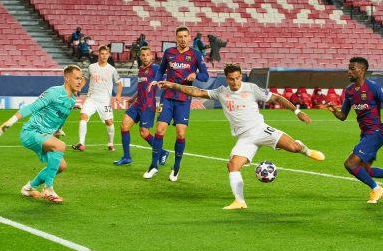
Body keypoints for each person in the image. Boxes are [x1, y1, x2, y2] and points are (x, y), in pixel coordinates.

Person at [158, 63, 325, 209]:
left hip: (260, 129)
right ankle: (240, 201)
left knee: (294, 148)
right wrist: (173, 85)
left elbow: (275, 98)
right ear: (226, 79)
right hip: (245, 138)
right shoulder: (221, 92)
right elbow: (196, 92)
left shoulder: (251, 88)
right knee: (232, 165)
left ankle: (306, 151)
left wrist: (297, 111)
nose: (235, 82)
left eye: (238, 78)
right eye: (232, 79)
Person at [0, 65, 83, 203]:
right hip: (31, 131)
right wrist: (11, 121)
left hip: (44, 134)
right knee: (60, 146)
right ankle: (48, 188)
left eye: (81, 79)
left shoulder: (71, 101)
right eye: (76, 78)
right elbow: (33, 106)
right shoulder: (54, 92)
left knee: (61, 166)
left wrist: (58, 130)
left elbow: (61, 118)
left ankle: (29, 188)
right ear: (67, 78)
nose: (80, 81)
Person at [144, 25, 209, 182]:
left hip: (184, 98)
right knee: (159, 130)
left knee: (180, 133)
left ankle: (176, 167)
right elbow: (161, 71)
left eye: (185, 36)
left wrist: (196, 75)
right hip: (167, 95)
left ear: (189, 37)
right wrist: (156, 80)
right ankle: (153, 166)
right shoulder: (169, 53)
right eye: (179, 36)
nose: (182, 39)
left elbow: (205, 76)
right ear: (176, 37)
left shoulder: (195, 54)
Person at [327, 56, 383, 203]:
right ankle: (376, 188)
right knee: (366, 170)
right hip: (365, 134)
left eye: (352, 69)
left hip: (375, 132)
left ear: (362, 70)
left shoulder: (373, 87)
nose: (349, 71)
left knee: (350, 164)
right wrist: (334, 110)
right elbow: (343, 115)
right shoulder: (350, 91)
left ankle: (376, 189)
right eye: (349, 68)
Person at [113, 46, 169, 166]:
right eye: (143, 55)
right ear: (140, 56)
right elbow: (142, 87)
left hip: (148, 106)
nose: (145, 57)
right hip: (138, 103)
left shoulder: (155, 68)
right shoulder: (141, 69)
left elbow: (165, 81)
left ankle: (163, 152)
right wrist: (133, 98)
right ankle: (127, 157)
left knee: (144, 133)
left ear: (151, 56)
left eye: (147, 55)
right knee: (124, 126)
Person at [72, 45, 123, 152]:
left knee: (109, 122)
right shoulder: (92, 67)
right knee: (83, 116)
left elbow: (119, 84)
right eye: (102, 54)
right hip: (91, 98)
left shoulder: (112, 69)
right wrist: (79, 88)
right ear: (99, 54)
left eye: (106, 54)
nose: (104, 56)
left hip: (104, 101)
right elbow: (85, 78)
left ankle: (110, 143)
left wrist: (118, 96)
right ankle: (81, 143)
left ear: (108, 55)